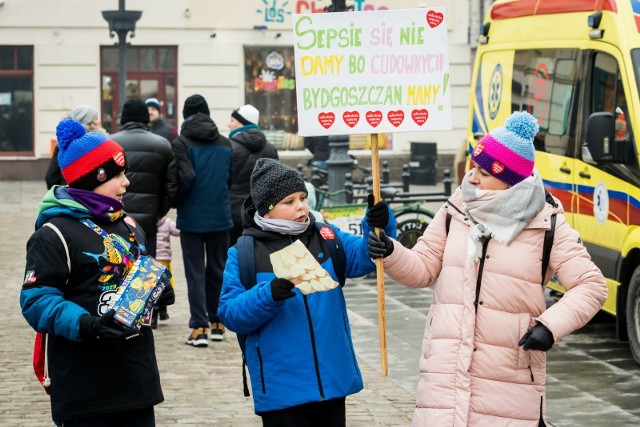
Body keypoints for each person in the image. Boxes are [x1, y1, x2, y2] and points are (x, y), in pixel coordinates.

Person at [366, 111, 608, 427]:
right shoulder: (456, 209)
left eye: (483, 172)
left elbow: (591, 286)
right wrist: (391, 252)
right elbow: (422, 269)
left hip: (509, 378)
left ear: (509, 178)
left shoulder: (546, 223)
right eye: (474, 168)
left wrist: (550, 326)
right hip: (445, 378)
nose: (473, 178)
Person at [217, 158, 397, 427]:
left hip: (331, 381)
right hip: (282, 389)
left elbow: (364, 257)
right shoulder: (244, 253)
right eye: (289, 202)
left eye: (302, 197)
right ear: (266, 210)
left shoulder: (325, 236)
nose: (301, 206)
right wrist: (267, 295)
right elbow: (230, 313)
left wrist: (378, 224)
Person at [20, 118, 163, 426]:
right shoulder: (53, 233)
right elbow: (36, 300)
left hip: (135, 377)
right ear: (94, 177)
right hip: (83, 386)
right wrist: (88, 325)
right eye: (118, 175)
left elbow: (140, 281)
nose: (127, 182)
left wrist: (154, 288)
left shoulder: (129, 224)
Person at [172, 94, 233, 346]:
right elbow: (229, 181)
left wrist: (176, 201)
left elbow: (184, 178)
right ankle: (218, 323)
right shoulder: (226, 144)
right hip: (220, 215)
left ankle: (199, 328)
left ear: (185, 114)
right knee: (218, 268)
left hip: (192, 217)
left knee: (195, 271)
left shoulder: (181, 143)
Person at [110, 98, 177, 257]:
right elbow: (171, 185)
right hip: (148, 222)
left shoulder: (108, 144)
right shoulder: (162, 144)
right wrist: (158, 212)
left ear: (123, 118)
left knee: (117, 267)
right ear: (145, 118)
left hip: (114, 219)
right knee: (145, 271)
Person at [227, 103, 279, 245]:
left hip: (232, 213)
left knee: (233, 255)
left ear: (243, 122)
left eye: (232, 121)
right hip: (259, 212)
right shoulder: (270, 149)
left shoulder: (228, 147)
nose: (228, 124)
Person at [45, 104, 107, 189]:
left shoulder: (63, 144)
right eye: (95, 118)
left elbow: (51, 178)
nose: (98, 121)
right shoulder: (100, 143)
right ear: (87, 120)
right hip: (94, 196)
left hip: (68, 195)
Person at [153, 215, 180, 328]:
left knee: (153, 286)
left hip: (152, 259)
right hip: (164, 260)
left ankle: (153, 315)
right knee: (165, 285)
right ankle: (163, 310)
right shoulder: (167, 222)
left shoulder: (144, 220)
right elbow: (178, 231)